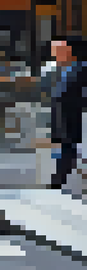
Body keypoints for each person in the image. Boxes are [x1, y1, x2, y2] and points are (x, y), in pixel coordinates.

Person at [47, 36, 87, 190]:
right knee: (63, 147)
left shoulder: (82, 68)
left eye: (57, 50)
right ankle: (59, 179)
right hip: (60, 115)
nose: (54, 54)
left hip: (74, 115)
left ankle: (59, 180)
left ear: (68, 51)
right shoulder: (59, 69)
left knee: (68, 148)